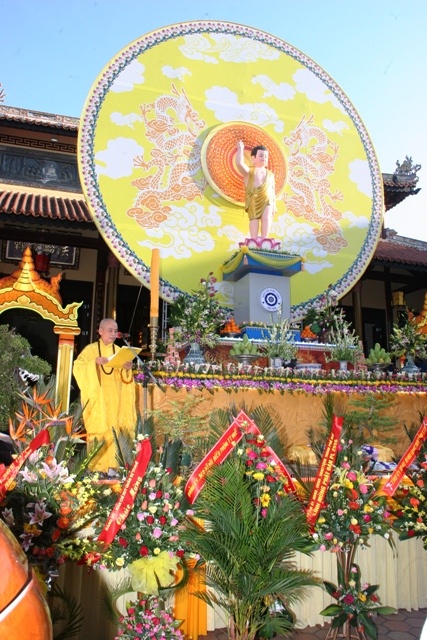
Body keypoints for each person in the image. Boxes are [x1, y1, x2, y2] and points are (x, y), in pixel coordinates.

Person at [73, 318, 137, 472]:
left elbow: (126, 380)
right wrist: (93, 363)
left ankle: (115, 469)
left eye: (115, 331)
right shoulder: (90, 350)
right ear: (100, 331)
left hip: (116, 401)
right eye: (110, 330)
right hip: (99, 401)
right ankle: (96, 470)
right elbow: (78, 368)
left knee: (116, 432)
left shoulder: (119, 351)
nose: (113, 334)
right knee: (100, 432)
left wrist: (127, 369)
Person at [236, 140, 276, 239]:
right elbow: (239, 164)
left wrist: (274, 205)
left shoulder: (270, 174)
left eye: (266, 156)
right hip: (254, 197)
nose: (264, 158)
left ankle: (264, 239)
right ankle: (253, 239)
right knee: (254, 218)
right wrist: (240, 149)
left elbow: (272, 191)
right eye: (261, 155)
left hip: (268, 199)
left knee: (267, 218)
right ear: (253, 158)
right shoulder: (250, 171)